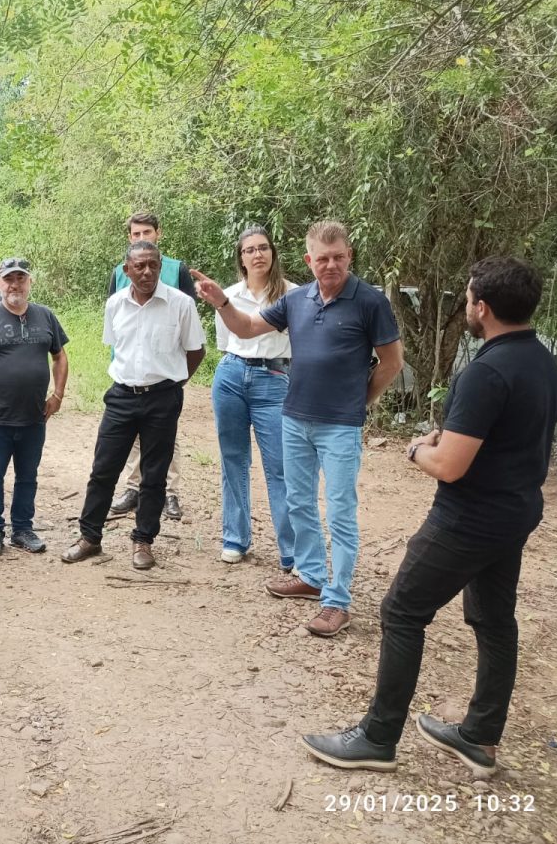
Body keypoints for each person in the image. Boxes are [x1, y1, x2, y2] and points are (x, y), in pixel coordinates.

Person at [301, 257, 557, 776]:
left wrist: (418, 449)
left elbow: (449, 466)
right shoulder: (543, 361)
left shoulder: (484, 372)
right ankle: (479, 737)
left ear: (481, 308)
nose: (466, 306)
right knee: (493, 619)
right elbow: (507, 437)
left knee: (401, 611)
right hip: (516, 509)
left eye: (468, 299)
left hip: (470, 518)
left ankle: (377, 738)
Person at [193, 220, 404, 637]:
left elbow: (391, 362)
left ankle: (337, 600)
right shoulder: (297, 299)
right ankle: (310, 575)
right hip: (294, 417)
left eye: (338, 257)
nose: (331, 266)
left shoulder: (370, 302)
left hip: (340, 426)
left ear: (349, 256)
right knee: (299, 500)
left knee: (341, 511)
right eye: (322, 259)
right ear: (309, 261)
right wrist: (221, 302)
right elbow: (248, 329)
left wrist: (360, 401)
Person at [63, 240, 206, 571]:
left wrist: (174, 383)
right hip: (121, 396)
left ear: (160, 266)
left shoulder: (181, 304)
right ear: (126, 270)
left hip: (163, 398)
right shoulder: (115, 304)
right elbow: (116, 347)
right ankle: (89, 537)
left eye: (153, 265)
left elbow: (195, 351)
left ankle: (143, 540)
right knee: (103, 471)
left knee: (154, 476)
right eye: (139, 266)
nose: (146, 271)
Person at [0, 258, 70, 557]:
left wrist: (57, 395)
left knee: (28, 476)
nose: (15, 285)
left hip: (34, 417)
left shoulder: (45, 316)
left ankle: (22, 529)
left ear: (30, 282)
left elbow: (60, 357)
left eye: (21, 278)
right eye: (9, 279)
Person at [212, 226, 296, 569]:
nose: (257, 254)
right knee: (233, 460)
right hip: (232, 375)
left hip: (274, 379)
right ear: (241, 258)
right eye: (249, 250)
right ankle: (235, 538)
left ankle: (291, 549)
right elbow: (224, 342)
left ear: (273, 253)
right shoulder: (228, 295)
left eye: (263, 248)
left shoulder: (294, 295)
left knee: (281, 467)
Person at [107, 211, 198, 523]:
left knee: (165, 439)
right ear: (129, 237)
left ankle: (170, 492)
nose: (142, 238)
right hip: (129, 370)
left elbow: (190, 325)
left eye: (147, 232)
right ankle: (133, 488)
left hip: (165, 373)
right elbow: (116, 318)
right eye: (136, 234)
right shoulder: (120, 272)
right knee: (130, 436)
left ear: (158, 233)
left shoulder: (175, 269)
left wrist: (176, 380)